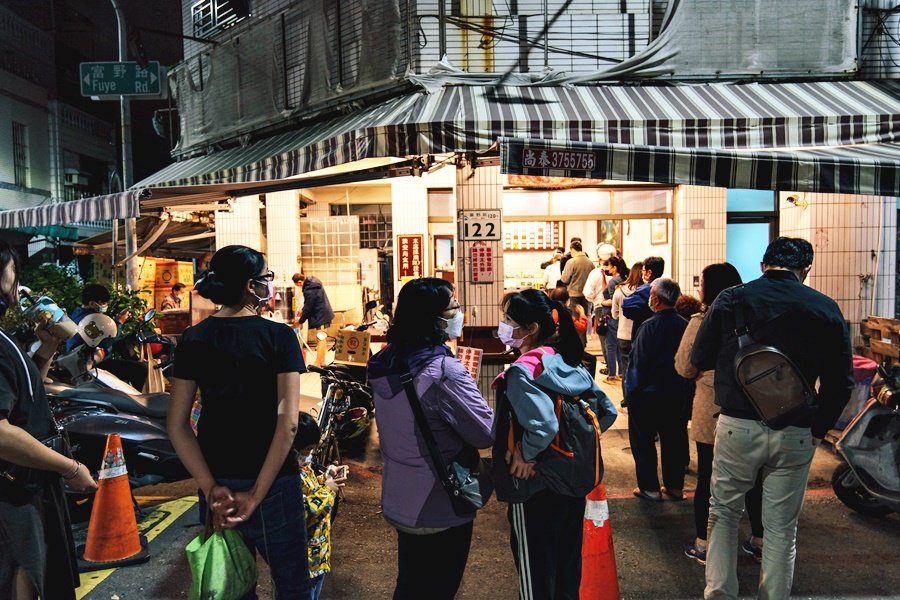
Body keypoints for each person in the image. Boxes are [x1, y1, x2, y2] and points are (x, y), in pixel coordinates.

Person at [692, 237, 854, 600]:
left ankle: (719, 592)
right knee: (781, 528)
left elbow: (700, 356)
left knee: (724, 513)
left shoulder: (732, 298)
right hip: (796, 428)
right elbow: (840, 382)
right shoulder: (825, 307)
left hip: (737, 424)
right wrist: (816, 429)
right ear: (805, 270)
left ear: (764, 265)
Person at [168, 245, 311, 600]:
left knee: (230, 583)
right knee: (292, 584)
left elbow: (177, 424)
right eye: (266, 277)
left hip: (217, 480)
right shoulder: (279, 336)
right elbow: (288, 425)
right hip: (274, 483)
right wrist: (255, 495)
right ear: (250, 285)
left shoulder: (194, 337)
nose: (269, 284)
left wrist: (209, 487)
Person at [366, 277, 494, 600]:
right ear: (432, 318)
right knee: (436, 588)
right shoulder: (442, 371)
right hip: (438, 502)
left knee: (410, 585)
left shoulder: (384, 364)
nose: (459, 312)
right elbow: (484, 431)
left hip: (400, 499)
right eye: (452, 307)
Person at [492, 288, 617, 599]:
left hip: (535, 488)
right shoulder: (563, 362)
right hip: (570, 482)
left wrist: (526, 453)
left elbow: (544, 424)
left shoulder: (523, 372)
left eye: (509, 320)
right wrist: (574, 448)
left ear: (531, 329)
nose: (503, 325)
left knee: (536, 575)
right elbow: (607, 411)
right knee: (566, 568)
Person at [0, 240, 98, 600]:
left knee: (36, 568)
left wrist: (47, 347)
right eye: (13, 271)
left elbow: (24, 398)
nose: (17, 282)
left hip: (27, 481)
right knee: (25, 572)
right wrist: (70, 468)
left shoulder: (5, 340)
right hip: (14, 488)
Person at [675, 263, 765, 566]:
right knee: (754, 476)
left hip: (713, 406)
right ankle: (760, 541)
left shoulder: (702, 320)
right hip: (755, 403)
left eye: (701, 283)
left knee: (710, 478)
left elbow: (685, 367)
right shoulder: (757, 315)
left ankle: (704, 543)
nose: (698, 288)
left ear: (709, 288)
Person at [625, 278, 692, 501]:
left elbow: (638, 365)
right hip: (676, 393)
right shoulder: (685, 325)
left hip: (647, 395)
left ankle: (650, 488)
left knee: (643, 441)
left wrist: (630, 394)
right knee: (673, 439)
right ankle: (675, 487)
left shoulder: (649, 326)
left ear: (655, 299)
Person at [294, 412, 348, 599]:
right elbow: (304, 512)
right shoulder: (287, 476)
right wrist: (328, 489)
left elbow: (310, 488)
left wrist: (326, 477)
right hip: (304, 561)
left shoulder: (302, 468)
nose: (310, 456)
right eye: (307, 451)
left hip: (317, 558)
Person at [611, 261, 643, 406]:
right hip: (641, 335)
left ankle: (626, 400)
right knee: (640, 368)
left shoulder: (619, 291)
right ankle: (639, 399)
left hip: (623, 334)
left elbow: (614, 314)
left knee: (625, 369)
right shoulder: (646, 291)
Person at [548, 286, 596, 378]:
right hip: (563, 350)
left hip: (549, 349)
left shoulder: (548, 312)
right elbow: (581, 328)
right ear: (567, 300)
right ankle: (588, 387)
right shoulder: (565, 314)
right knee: (591, 360)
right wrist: (582, 314)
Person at [65, 283, 130, 352]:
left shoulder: (77, 313)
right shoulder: (90, 319)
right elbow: (105, 343)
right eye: (103, 303)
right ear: (92, 303)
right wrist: (119, 322)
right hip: (88, 359)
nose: (106, 305)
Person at [599, 256, 629, 383]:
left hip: (611, 316)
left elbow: (612, 300)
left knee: (610, 346)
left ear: (614, 268)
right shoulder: (622, 279)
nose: (606, 268)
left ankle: (611, 375)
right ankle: (621, 373)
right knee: (617, 347)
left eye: (608, 266)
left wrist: (603, 303)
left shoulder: (614, 281)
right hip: (619, 318)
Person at [559, 240, 594, 344]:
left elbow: (564, 279)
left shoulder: (571, 262)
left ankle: (577, 342)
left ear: (572, 250)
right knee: (586, 315)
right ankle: (584, 341)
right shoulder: (590, 262)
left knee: (575, 318)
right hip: (586, 294)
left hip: (574, 294)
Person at [621, 255, 665, 335]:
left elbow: (626, 306)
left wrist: (642, 316)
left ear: (649, 272)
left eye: (643, 270)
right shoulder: (670, 287)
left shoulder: (645, 290)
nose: (642, 273)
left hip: (646, 333)